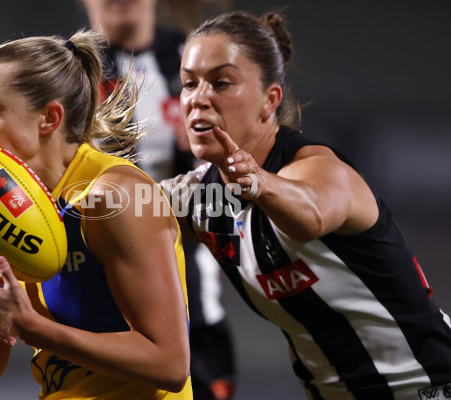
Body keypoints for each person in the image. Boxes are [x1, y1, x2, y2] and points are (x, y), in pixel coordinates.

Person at [158, 10, 451, 399]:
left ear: (269, 100)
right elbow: (119, 206)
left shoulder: (322, 170)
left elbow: (310, 214)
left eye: (221, 82)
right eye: (189, 83)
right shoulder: (205, 196)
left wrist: (258, 183)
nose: (198, 99)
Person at [0, 29, 193, 399]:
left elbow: (170, 365)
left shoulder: (117, 197)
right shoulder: (15, 208)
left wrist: (30, 327)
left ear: (49, 118)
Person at [81, 1, 237, 398]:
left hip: (193, 290)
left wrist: (211, 150)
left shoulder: (200, 60)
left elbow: (237, 177)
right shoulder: (66, 72)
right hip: (96, 285)